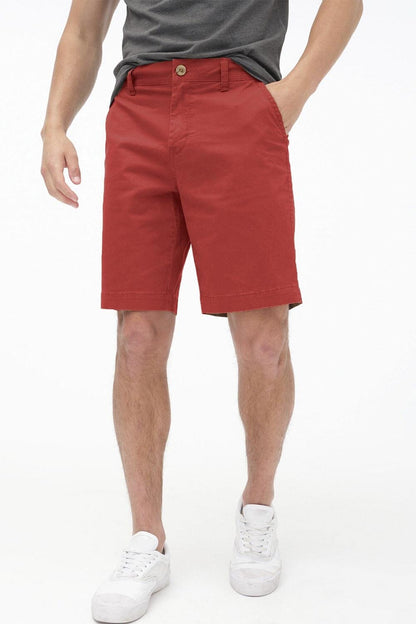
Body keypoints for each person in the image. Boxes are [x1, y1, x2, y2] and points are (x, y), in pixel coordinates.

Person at [40, 0, 363, 621]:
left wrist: (292, 94)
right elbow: (84, 26)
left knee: (263, 338)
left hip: (239, 102)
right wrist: (54, 125)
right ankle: (147, 540)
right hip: (139, 107)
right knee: (137, 336)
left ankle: (257, 510)